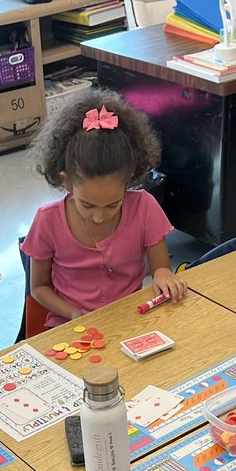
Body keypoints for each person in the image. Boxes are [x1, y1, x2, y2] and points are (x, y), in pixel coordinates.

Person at [23, 89, 187, 329]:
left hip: (129, 320)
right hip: (69, 324)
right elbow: (38, 288)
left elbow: (161, 267)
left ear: (130, 179)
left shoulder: (144, 207)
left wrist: (163, 275)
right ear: (66, 182)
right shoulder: (48, 220)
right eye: (87, 205)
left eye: (113, 204)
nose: (99, 217)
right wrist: (72, 313)